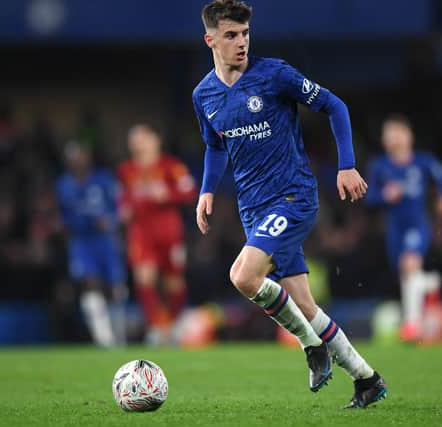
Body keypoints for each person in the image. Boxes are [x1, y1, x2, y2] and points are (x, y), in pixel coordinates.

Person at [192, 0, 386, 408]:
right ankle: (367, 380)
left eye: (245, 33)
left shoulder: (274, 74)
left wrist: (346, 165)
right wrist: (207, 190)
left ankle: (309, 346)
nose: (241, 42)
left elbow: (335, 105)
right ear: (211, 39)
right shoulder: (204, 94)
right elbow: (214, 146)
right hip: (254, 209)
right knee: (304, 304)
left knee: (243, 277)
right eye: (231, 35)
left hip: (293, 197)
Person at [365, 114, 442, 342]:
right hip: (394, 228)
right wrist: (385, 196)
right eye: (389, 134)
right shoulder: (379, 166)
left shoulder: (423, 162)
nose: (393, 139)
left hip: (417, 224)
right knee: (406, 275)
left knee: (410, 264)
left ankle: (412, 326)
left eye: (397, 133)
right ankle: (432, 281)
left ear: (408, 136)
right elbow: (369, 197)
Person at [117, 124, 196, 346]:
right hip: (141, 233)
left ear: (155, 140)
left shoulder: (170, 166)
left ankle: (173, 324)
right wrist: (123, 208)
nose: (138, 143)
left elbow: (189, 191)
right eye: (134, 139)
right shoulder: (126, 170)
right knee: (144, 278)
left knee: (173, 283)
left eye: (142, 137)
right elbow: (123, 196)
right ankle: (156, 326)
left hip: (169, 232)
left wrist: (167, 194)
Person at [56, 142, 127, 347]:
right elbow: (64, 216)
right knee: (90, 283)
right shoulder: (64, 185)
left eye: (82, 155)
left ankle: (119, 337)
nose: (79, 160)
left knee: (116, 287)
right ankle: (103, 339)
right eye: (74, 157)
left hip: (105, 240)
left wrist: (112, 222)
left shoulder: (103, 179)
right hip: (82, 240)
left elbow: (120, 207)